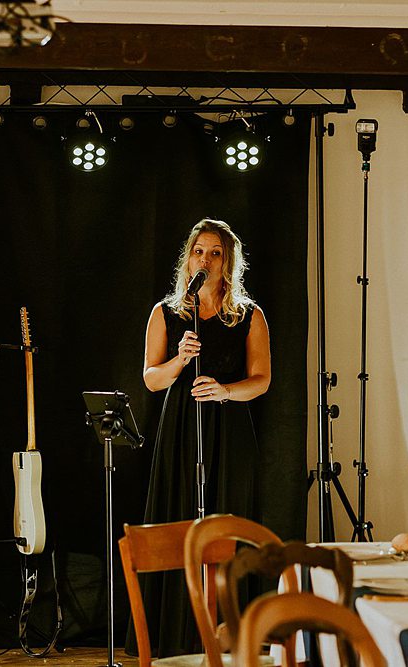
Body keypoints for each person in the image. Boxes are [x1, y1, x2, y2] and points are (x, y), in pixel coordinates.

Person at [133, 218, 271, 658]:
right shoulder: (166, 312)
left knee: (227, 523)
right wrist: (179, 361)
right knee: (182, 522)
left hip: (228, 429)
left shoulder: (249, 315)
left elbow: (262, 380)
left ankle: (230, 637)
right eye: (199, 251)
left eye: (215, 253)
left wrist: (226, 391)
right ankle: (178, 638)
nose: (205, 260)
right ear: (188, 258)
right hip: (181, 428)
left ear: (228, 261)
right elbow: (152, 379)